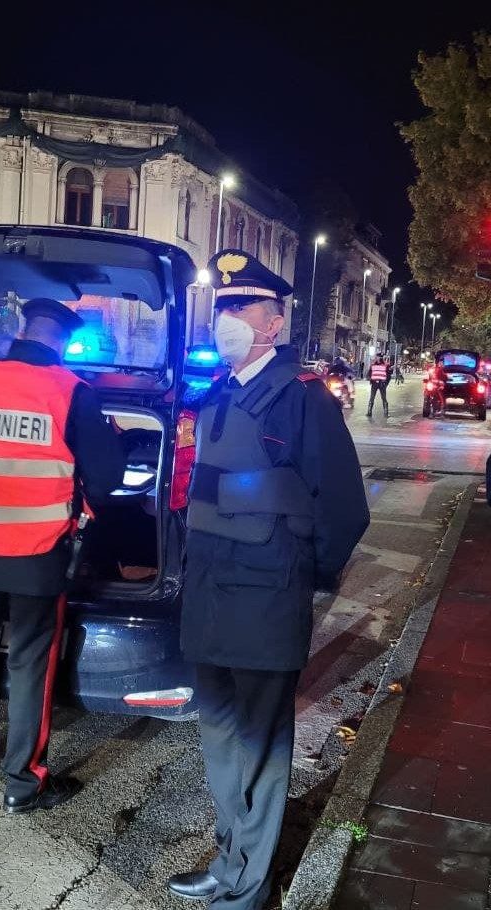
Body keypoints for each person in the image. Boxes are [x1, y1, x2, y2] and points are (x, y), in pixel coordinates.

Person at [167, 250, 369, 909]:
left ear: (275, 324)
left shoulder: (306, 401)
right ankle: (230, 863)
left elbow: (344, 510)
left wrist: (307, 579)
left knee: (258, 749)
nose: (224, 320)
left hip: (266, 599)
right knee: (221, 745)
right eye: (221, 308)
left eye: (240, 310)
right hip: (208, 600)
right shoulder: (216, 394)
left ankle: (247, 888)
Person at [0, 298, 125, 813]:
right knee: (33, 661)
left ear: (20, 330)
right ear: (64, 345)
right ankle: (22, 783)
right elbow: (106, 480)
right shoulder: (69, 390)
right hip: (35, 552)